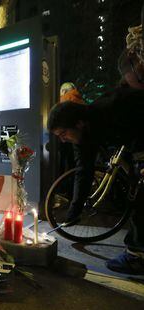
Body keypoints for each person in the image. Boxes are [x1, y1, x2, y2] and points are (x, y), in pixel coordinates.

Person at [47, 87, 144, 275]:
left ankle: (137, 257)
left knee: (140, 194)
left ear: (79, 123)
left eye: (63, 134)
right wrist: (74, 211)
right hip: (134, 146)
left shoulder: (112, 108)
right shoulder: (82, 138)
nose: (63, 141)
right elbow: (84, 171)